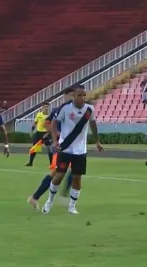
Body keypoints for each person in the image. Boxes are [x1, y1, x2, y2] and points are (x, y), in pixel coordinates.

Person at [42, 85, 104, 215]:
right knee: (59, 175)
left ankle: (72, 206)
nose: (82, 98)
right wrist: (55, 141)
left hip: (81, 150)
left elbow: (93, 124)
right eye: (79, 95)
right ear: (74, 96)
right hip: (65, 148)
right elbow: (53, 123)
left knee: (77, 177)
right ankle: (49, 201)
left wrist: (97, 141)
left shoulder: (89, 109)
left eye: (84, 95)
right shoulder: (65, 108)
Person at [27, 88, 75, 209]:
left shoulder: (76, 110)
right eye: (72, 95)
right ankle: (35, 197)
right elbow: (46, 123)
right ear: (66, 96)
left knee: (74, 170)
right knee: (56, 173)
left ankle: (61, 194)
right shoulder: (61, 109)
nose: (74, 97)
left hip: (72, 146)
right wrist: (57, 134)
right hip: (61, 146)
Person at [26, 102, 52, 167]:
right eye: (45, 106)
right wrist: (31, 131)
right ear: (42, 107)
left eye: (47, 107)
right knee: (34, 148)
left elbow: (51, 125)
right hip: (38, 133)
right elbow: (35, 123)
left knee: (49, 149)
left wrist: (48, 133)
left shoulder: (50, 115)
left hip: (46, 133)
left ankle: (52, 164)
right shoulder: (38, 114)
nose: (46, 108)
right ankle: (30, 163)